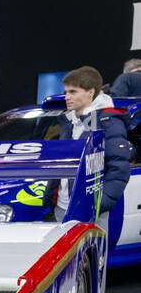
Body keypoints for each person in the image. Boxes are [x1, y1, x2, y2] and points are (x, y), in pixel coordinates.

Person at [55, 66, 131, 223]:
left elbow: (119, 169)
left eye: (73, 92)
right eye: (66, 92)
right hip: (63, 207)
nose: (66, 97)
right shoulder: (70, 121)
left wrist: (98, 205)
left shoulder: (108, 122)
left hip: (90, 212)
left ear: (90, 92)